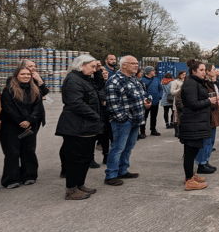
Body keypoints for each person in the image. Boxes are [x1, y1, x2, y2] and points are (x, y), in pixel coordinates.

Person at [55, 55, 103, 200]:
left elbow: (100, 87)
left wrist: (98, 71)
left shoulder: (85, 78)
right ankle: (71, 189)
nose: (94, 70)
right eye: (92, 67)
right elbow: (76, 103)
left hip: (86, 126)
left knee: (85, 158)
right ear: (81, 65)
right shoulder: (73, 79)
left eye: (96, 67)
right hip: (76, 126)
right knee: (75, 159)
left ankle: (80, 184)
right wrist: (95, 116)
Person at [104, 56, 151, 186]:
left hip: (136, 120)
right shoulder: (115, 80)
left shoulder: (135, 80)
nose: (136, 66)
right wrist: (123, 118)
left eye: (137, 63)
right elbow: (113, 104)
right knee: (118, 147)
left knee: (128, 147)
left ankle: (123, 170)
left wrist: (145, 103)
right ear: (124, 65)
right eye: (133, 64)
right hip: (123, 121)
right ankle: (111, 175)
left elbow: (141, 96)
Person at [0, 66, 43, 188]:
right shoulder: (9, 90)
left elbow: (38, 107)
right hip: (11, 125)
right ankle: (11, 179)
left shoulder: (35, 90)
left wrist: (29, 121)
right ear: (16, 76)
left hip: (30, 125)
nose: (26, 76)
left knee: (29, 151)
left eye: (28, 74)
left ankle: (29, 175)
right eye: (22, 74)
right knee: (12, 153)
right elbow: (8, 109)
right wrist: (21, 122)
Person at [179, 60, 216, 190]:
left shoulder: (196, 82)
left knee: (192, 151)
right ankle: (189, 181)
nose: (204, 72)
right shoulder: (190, 83)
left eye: (204, 70)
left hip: (196, 122)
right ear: (194, 71)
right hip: (192, 123)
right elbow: (192, 103)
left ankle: (190, 175)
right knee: (190, 152)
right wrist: (208, 101)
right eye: (201, 70)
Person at [195, 64, 219, 174]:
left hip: (213, 114)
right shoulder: (204, 84)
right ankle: (201, 163)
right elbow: (205, 99)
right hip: (208, 115)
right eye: (213, 69)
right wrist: (216, 100)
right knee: (206, 141)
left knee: (210, 141)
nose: (216, 71)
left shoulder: (211, 83)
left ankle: (205, 161)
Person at [141, 66, 162, 137]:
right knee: (144, 117)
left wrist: (159, 96)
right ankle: (142, 131)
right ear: (149, 72)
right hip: (146, 101)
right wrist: (145, 99)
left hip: (155, 101)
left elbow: (160, 88)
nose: (154, 72)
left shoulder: (156, 79)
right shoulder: (142, 80)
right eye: (153, 71)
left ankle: (153, 130)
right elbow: (141, 91)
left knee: (154, 116)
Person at [170, 70, 186, 137]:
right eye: (182, 74)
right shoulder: (175, 82)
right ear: (179, 75)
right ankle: (177, 131)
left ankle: (183, 131)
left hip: (185, 102)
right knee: (176, 118)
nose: (184, 76)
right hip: (177, 102)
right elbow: (172, 92)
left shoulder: (187, 82)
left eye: (185, 74)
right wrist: (180, 89)